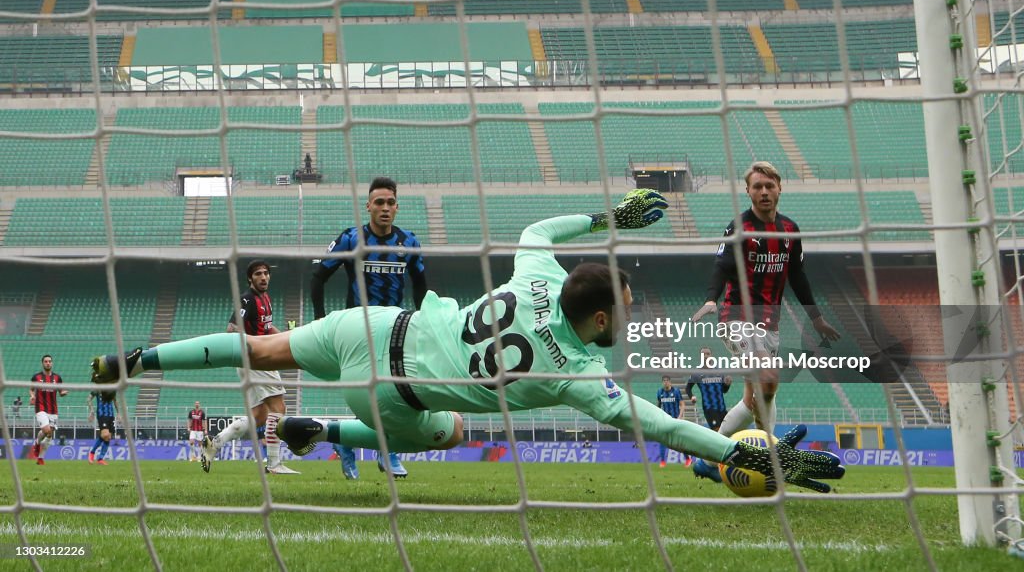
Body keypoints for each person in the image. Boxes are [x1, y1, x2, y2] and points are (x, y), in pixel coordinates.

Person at [93, 190, 845, 493]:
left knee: (258, 350)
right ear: (599, 323)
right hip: (394, 396)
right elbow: (668, 427)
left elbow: (539, 228)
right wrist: (751, 455)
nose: (628, 314)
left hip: (373, 324)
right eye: (623, 308)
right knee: (450, 431)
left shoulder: (538, 269)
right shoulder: (579, 374)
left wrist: (610, 215)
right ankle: (323, 430)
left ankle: (136, 359)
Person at [689, 162, 841, 483]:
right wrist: (711, 299)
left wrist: (816, 318)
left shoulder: (789, 230)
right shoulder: (739, 227)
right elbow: (721, 265)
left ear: (779, 188)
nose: (764, 192)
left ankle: (707, 459)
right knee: (768, 376)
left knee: (754, 398)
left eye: (769, 186)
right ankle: (770, 459)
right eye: (757, 186)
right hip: (735, 318)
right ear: (748, 191)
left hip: (769, 325)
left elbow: (798, 276)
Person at [310, 176, 427, 480]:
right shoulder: (351, 238)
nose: (385, 208)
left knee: (394, 390)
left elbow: (421, 284)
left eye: (390, 203)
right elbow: (319, 277)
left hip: (395, 328)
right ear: (368, 206)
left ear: (397, 207)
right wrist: (321, 318)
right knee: (369, 392)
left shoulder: (409, 242)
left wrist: (425, 317)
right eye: (379, 202)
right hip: (358, 328)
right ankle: (373, 448)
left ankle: (370, 448)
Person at [202, 260, 299, 475]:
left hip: (255, 360)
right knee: (278, 408)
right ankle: (274, 464)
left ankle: (215, 443)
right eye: (258, 274)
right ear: (250, 278)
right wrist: (253, 348)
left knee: (259, 416)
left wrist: (288, 337)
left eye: (266, 273)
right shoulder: (247, 299)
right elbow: (231, 329)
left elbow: (267, 328)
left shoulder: (265, 298)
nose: (263, 277)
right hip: (257, 359)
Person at [29, 354, 66, 465]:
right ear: (42, 363)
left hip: (53, 410)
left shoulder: (57, 378)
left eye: (49, 361)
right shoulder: (36, 377)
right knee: (46, 430)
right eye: (46, 361)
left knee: (49, 435)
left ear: (52, 363)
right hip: (40, 407)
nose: (48, 363)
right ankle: (37, 443)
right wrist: (32, 396)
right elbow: (31, 389)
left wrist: (63, 393)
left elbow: (61, 392)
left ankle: (40, 458)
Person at [685, 348, 732, 432]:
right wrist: (691, 396)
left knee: (728, 431)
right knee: (717, 431)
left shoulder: (719, 371)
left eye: (708, 354)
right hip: (709, 408)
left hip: (722, 408)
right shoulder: (696, 373)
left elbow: (724, 391)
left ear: (711, 356)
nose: (706, 356)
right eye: (703, 354)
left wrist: (727, 385)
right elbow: (688, 388)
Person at [655, 376, 689, 467]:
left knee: (680, 441)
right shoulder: (660, 392)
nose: (665, 382)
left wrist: (680, 416)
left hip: (675, 420)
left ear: (670, 382)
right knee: (662, 440)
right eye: (664, 381)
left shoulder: (676, 391)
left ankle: (687, 459)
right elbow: (658, 406)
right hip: (665, 421)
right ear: (662, 382)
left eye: (667, 381)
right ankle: (662, 461)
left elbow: (682, 404)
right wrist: (658, 416)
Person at [88, 390, 116, 465]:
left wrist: (119, 413)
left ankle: (100, 459)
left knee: (108, 437)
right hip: (101, 414)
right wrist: (91, 411)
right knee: (105, 435)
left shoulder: (112, 388)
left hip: (111, 414)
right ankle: (92, 452)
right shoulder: (98, 388)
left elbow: (115, 400)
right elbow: (89, 398)